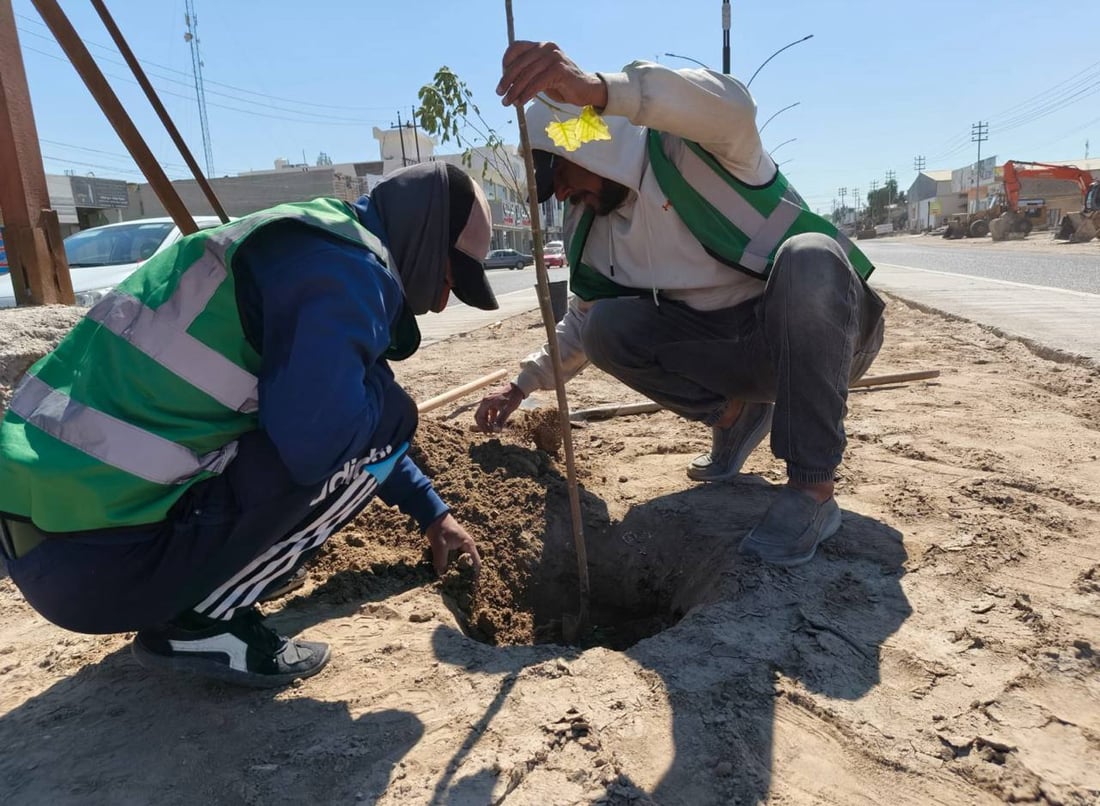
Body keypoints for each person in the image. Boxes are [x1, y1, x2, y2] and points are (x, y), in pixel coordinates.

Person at [0, 162, 493, 688]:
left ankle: (212, 584)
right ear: (423, 236)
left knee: (352, 405)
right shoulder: (349, 273)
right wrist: (382, 395)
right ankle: (202, 622)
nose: (441, 304)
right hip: (102, 570)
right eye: (449, 279)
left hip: (41, 542)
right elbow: (325, 440)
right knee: (388, 412)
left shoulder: (309, 239)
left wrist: (431, 512)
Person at [476, 42, 885, 567]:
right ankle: (737, 417)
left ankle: (812, 491)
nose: (564, 195)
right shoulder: (593, 229)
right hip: (740, 355)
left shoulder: (696, 150)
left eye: (565, 175)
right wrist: (520, 385)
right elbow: (580, 329)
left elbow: (734, 104)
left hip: (832, 338)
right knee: (606, 326)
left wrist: (598, 92)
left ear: (592, 149)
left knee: (810, 256)